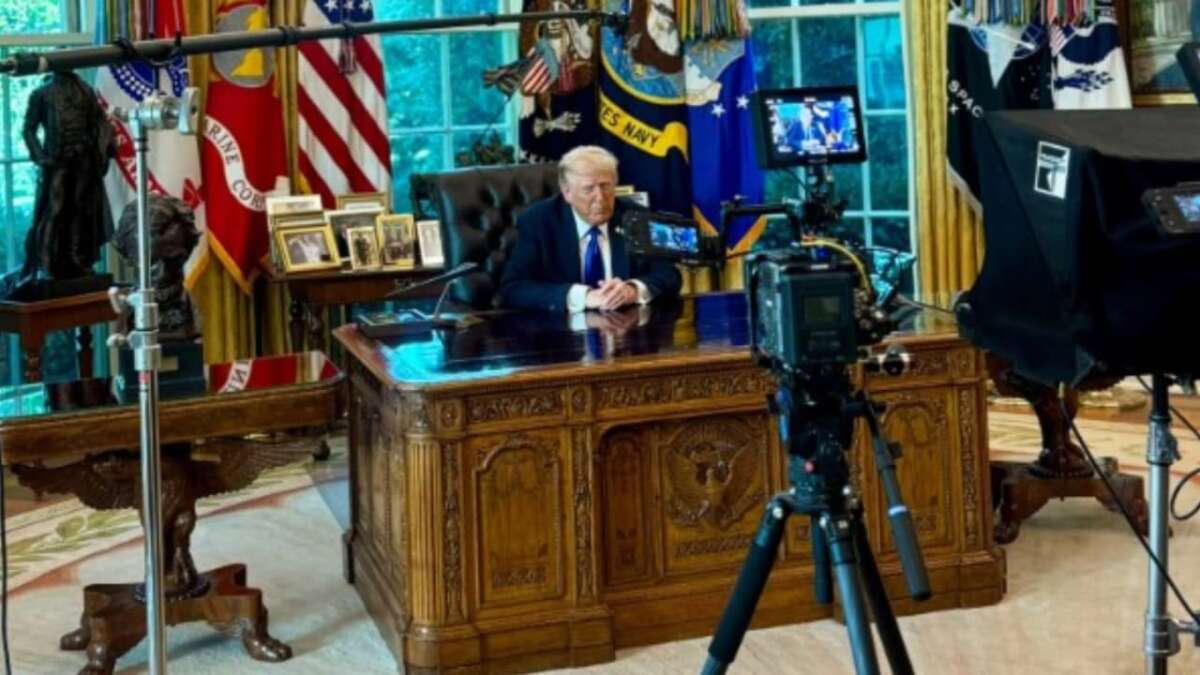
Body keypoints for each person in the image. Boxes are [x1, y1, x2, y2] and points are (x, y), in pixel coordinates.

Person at [499, 145, 681, 313]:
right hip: (561, 330)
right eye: (588, 190)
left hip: (625, 325)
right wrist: (583, 297)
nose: (600, 198)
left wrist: (633, 290)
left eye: (606, 186)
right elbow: (513, 288)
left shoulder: (636, 217)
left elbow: (669, 275)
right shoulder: (539, 221)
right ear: (567, 193)